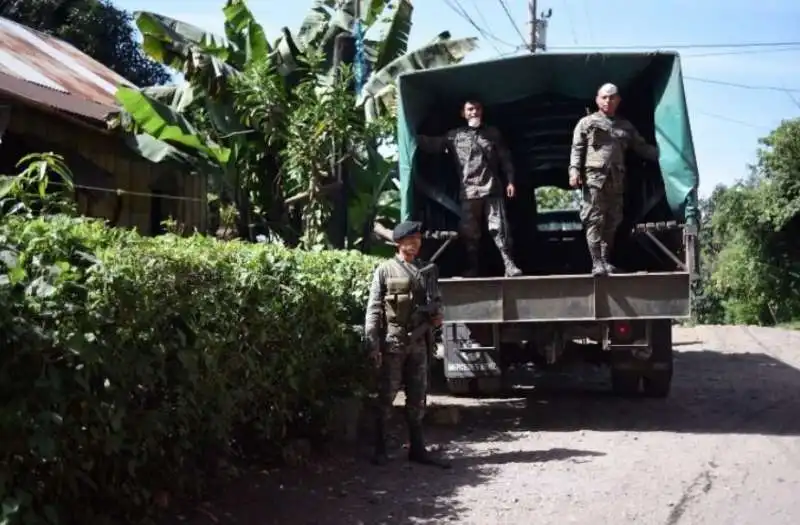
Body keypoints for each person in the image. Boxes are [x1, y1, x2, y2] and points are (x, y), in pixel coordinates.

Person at [363, 220, 450, 468]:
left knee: (417, 396)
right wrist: (372, 342)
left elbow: (437, 301)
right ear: (399, 242)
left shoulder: (426, 270)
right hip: (393, 342)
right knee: (387, 396)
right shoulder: (385, 270)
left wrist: (437, 315)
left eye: (418, 240)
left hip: (419, 342)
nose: (416, 244)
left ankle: (418, 448)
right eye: (411, 240)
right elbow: (374, 309)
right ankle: (380, 448)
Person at [416, 99, 523, 277]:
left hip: (491, 190)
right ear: (463, 114)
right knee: (470, 233)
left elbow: (505, 159)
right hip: (469, 192)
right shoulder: (455, 136)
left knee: (499, 229)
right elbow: (433, 145)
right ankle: (473, 268)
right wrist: (411, 136)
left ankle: (509, 265)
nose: (474, 112)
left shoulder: (492, 133)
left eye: (478, 109)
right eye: (470, 109)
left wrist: (510, 181)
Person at [568, 83, 660, 276]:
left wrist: (665, 156)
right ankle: (596, 263)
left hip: (616, 181)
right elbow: (577, 149)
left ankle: (605, 260)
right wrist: (574, 171)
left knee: (613, 221)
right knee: (594, 220)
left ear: (618, 100)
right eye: (604, 97)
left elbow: (641, 147)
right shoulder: (587, 123)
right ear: (597, 100)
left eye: (612, 97)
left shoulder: (625, 126)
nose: (608, 101)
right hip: (594, 180)